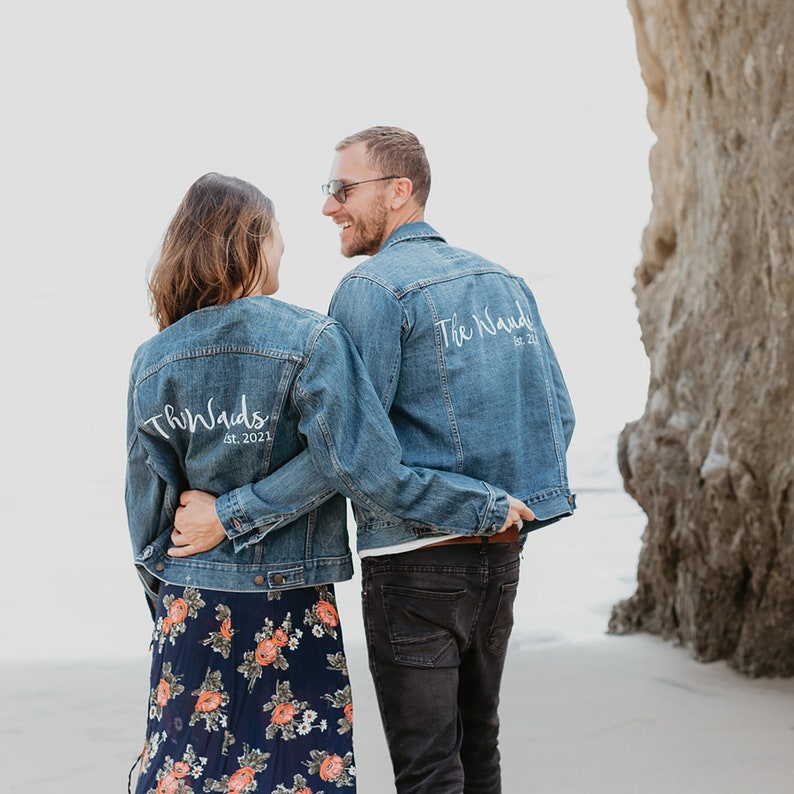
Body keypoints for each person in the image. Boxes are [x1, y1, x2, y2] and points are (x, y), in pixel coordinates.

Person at [176, 128, 575, 794]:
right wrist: (497, 511)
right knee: (479, 750)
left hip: (415, 566)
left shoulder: (371, 290)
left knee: (428, 769)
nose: (329, 206)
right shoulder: (504, 282)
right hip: (501, 553)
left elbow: (343, 455)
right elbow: (556, 417)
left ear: (399, 191)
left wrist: (230, 516)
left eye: (341, 189)